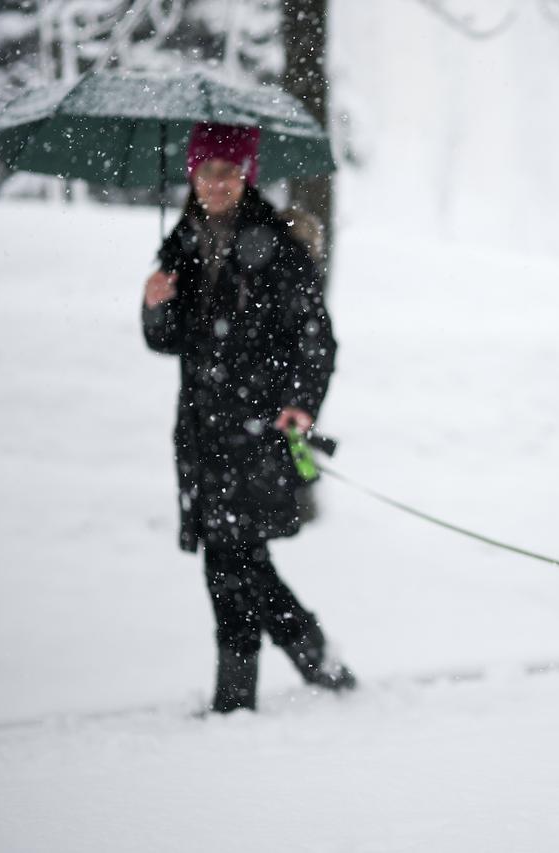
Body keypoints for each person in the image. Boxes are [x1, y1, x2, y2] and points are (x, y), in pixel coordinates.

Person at [142, 122, 355, 713]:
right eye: (206, 170)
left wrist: (301, 404)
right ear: (192, 174)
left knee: (230, 559)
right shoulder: (180, 247)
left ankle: (238, 702)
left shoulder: (278, 246)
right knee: (239, 560)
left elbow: (317, 343)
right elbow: (171, 342)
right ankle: (318, 661)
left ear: (247, 175)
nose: (216, 183)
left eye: (228, 171)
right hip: (202, 433)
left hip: (260, 431)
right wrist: (156, 309)